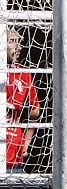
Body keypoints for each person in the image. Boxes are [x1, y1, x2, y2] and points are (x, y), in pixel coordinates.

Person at [5, 29, 41, 173]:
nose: (18, 47)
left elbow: (35, 111)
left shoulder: (23, 73)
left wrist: (26, 142)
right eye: (12, 42)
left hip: (14, 154)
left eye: (19, 42)